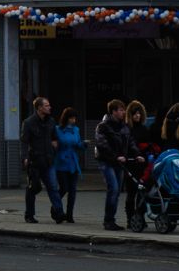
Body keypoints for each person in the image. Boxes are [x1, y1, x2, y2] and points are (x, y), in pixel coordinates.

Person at [21, 95, 63, 224]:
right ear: (39, 108)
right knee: (33, 188)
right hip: (34, 161)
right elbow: (24, 142)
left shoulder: (51, 121)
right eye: (46, 105)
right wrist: (25, 158)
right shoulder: (28, 123)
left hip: (49, 161)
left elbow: (55, 137)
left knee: (53, 187)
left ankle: (59, 213)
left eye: (49, 105)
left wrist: (54, 146)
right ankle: (29, 215)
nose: (49, 107)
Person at [93, 99, 134, 230]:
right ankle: (108, 220)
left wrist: (138, 154)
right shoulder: (103, 126)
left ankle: (111, 219)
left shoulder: (124, 126)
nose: (123, 112)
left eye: (123, 110)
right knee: (114, 188)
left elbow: (130, 142)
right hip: (106, 161)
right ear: (113, 112)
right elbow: (102, 145)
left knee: (116, 192)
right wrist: (116, 156)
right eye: (121, 110)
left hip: (119, 162)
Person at [53, 107, 84, 223]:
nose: (73, 120)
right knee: (64, 188)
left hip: (73, 162)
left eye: (75, 118)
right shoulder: (58, 129)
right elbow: (56, 144)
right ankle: (56, 208)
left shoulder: (76, 130)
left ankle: (70, 215)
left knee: (72, 190)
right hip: (61, 162)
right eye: (71, 118)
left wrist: (83, 145)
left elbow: (77, 143)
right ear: (66, 118)